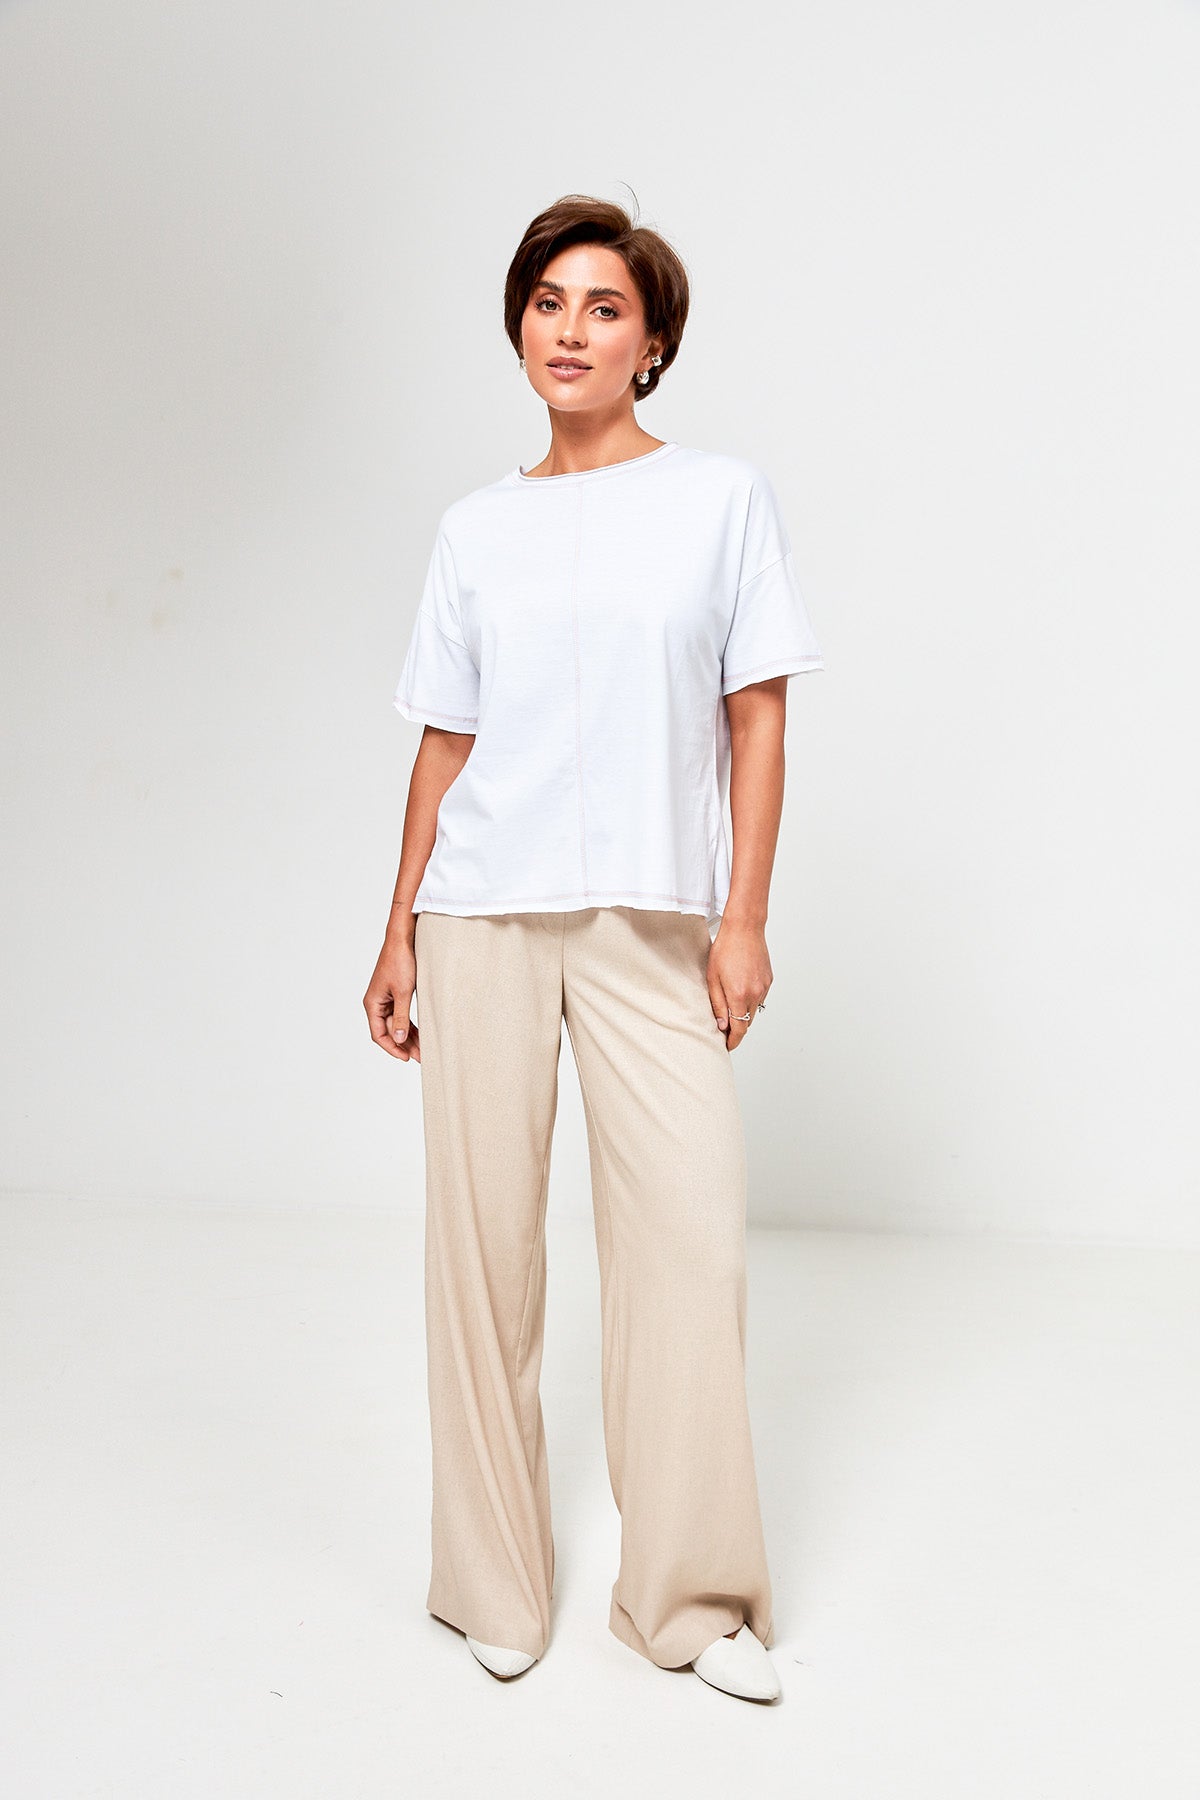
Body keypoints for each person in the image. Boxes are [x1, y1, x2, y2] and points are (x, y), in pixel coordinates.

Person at [363, 193, 825, 1702]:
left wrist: (745, 916)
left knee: (686, 1243)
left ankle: (688, 1602)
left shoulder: (720, 499)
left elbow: (757, 717)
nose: (570, 329)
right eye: (548, 302)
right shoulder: (474, 529)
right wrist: (396, 927)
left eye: (604, 307)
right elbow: (446, 743)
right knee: (480, 1256)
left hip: (651, 916)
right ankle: (491, 1583)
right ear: (520, 328)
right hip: (479, 914)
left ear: (653, 342)